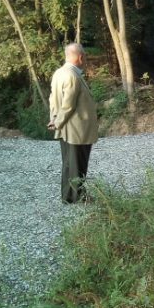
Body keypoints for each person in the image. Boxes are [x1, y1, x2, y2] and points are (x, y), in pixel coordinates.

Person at [47, 43, 99, 203]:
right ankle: (77, 197)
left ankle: (68, 197)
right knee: (77, 164)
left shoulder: (59, 73)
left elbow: (53, 99)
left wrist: (54, 118)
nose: (85, 60)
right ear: (80, 57)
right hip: (77, 129)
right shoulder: (72, 75)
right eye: (85, 57)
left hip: (67, 128)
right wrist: (58, 122)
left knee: (69, 164)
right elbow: (68, 105)